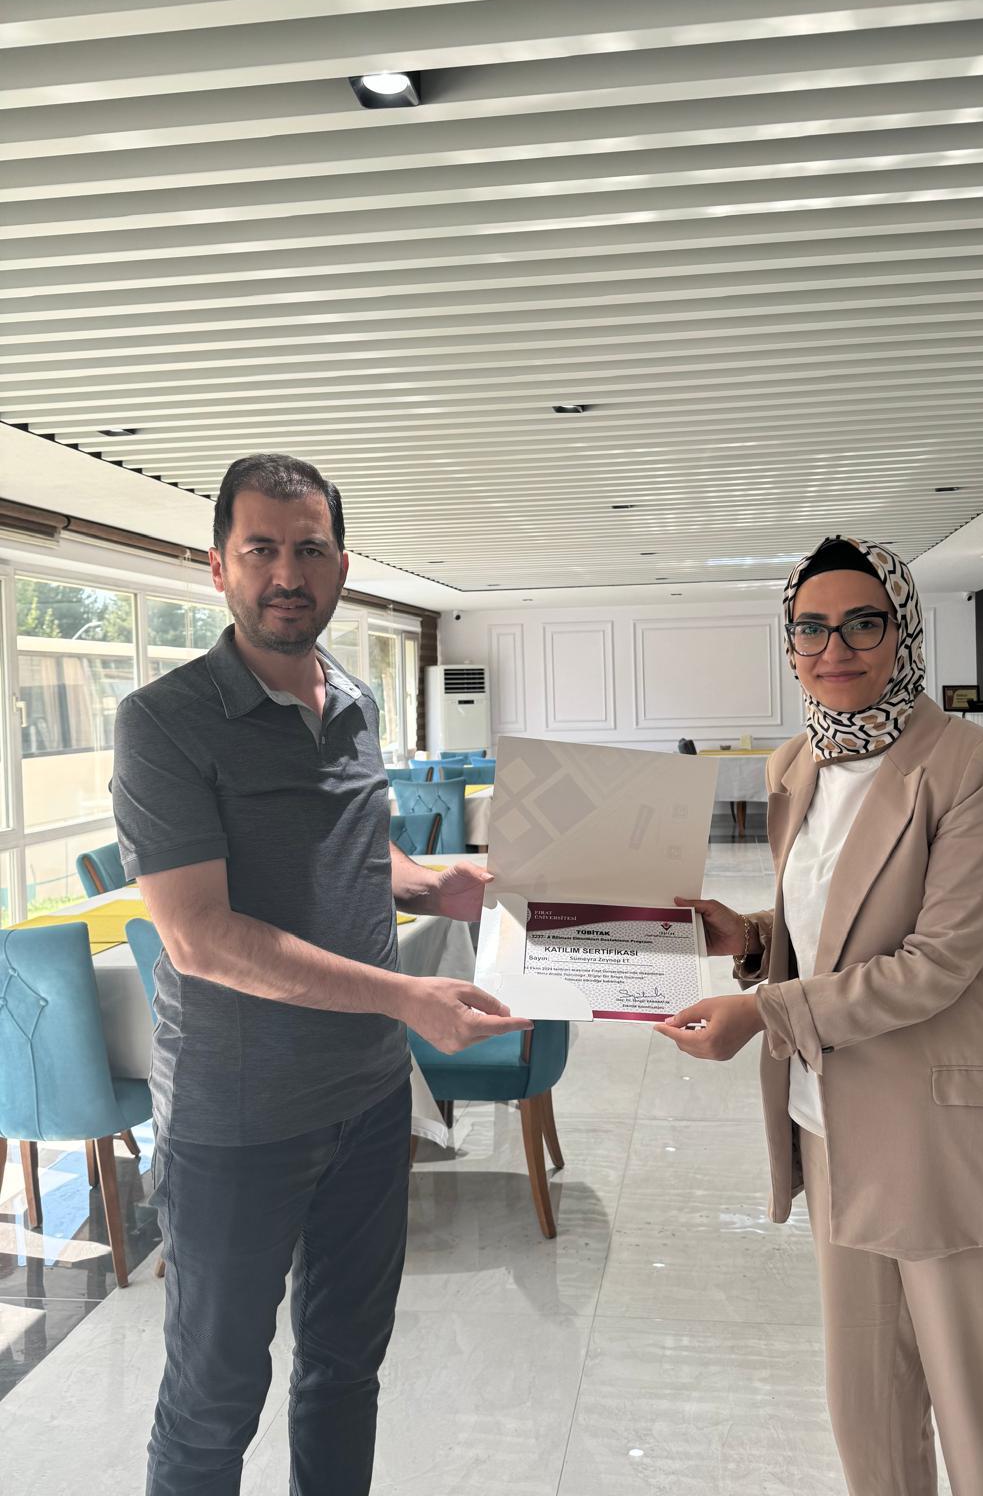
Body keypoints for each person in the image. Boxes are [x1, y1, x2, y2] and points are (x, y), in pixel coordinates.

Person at [111, 453, 529, 1495]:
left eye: (309, 549)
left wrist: (436, 887)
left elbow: (351, 849)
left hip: (369, 1102)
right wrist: (407, 998)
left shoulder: (353, 697)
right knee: (211, 1404)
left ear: (342, 565)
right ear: (219, 567)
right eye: (260, 549)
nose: (286, 573)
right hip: (237, 1119)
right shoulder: (162, 722)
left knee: (346, 1372)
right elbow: (201, 937)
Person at [658, 536, 983, 1496]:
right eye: (810, 628)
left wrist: (761, 1012)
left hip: (952, 1143)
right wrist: (751, 936)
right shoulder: (796, 763)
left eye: (862, 623)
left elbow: (936, 964)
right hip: (834, 1132)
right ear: (790, 645)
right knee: (871, 1434)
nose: (833, 647)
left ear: (904, 631)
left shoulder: (971, 763)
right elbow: (833, 928)